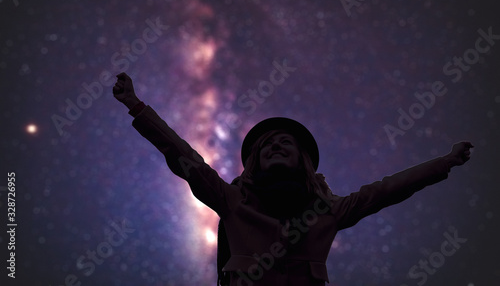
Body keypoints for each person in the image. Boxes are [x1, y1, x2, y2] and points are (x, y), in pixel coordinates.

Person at [113, 72, 473, 286]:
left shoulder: (329, 211)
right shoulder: (232, 201)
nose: (275, 146)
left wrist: (446, 161)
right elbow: (182, 156)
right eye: (267, 145)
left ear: (303, 160)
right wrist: (137, 106)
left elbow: (388, 189)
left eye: (285, 142)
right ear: (254, 161)